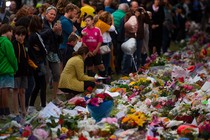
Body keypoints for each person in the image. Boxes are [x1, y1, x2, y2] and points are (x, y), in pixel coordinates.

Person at [0, 24, 18, 117]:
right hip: (7, 69)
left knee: (1, 91)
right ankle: (6, 111)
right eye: (11, 32)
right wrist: (15, 68)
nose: (11, 34)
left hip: (1, 69)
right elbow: (12, 57)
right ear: (7, 31)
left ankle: (2, 111)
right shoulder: (7, 42)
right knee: (5, 91)